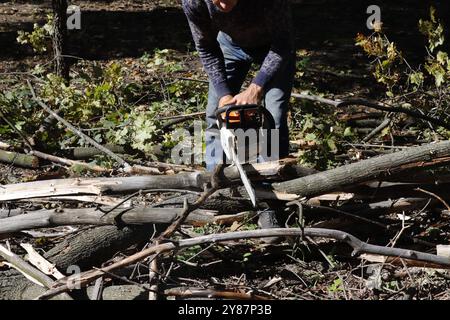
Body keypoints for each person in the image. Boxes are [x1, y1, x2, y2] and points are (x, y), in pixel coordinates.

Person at [182, 0, 296, 242]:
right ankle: (217, 191)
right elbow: (206, 46)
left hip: (273, 47)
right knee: (215, 116)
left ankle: (270, 203)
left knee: (272, 120)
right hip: (230, 45)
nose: (222, 4)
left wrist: (256, 88)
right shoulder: (194, 2)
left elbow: (283, 43)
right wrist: (225, 94)